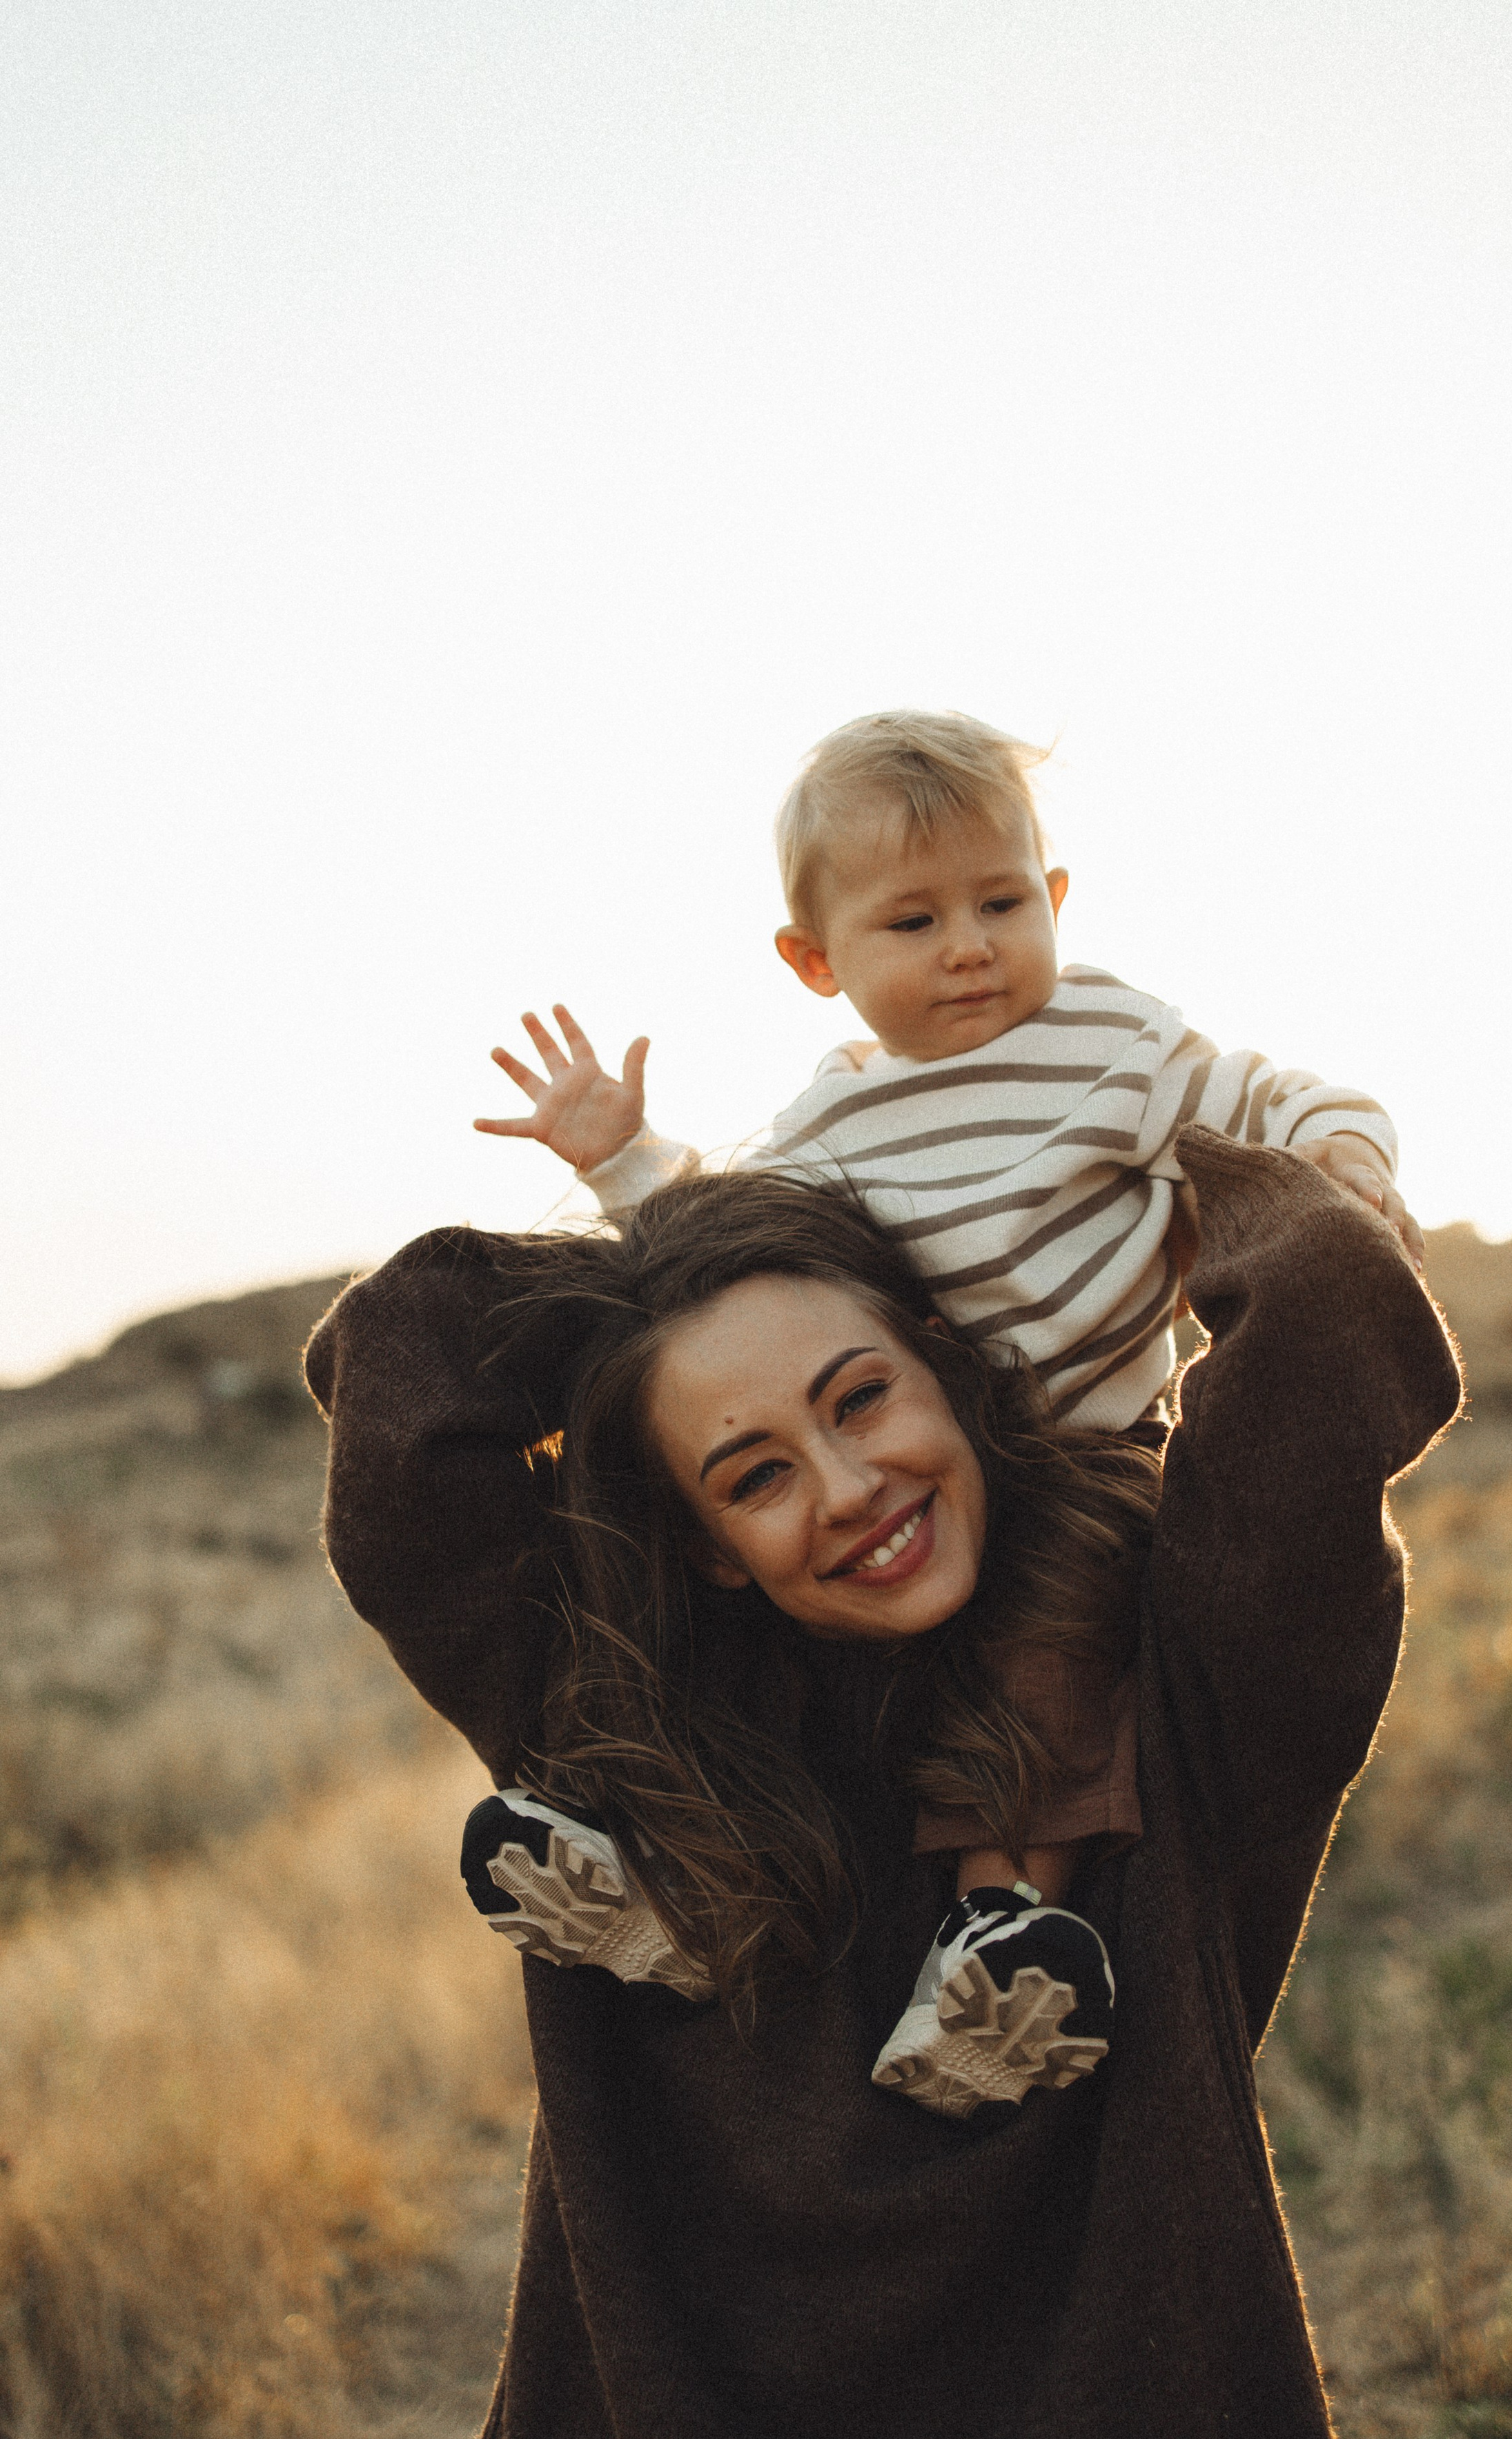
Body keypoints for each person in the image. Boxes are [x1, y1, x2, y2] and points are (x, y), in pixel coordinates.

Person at [304, 1133, 1460, 2439]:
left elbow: (1325, 1315)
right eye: (751, 1472)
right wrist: (645, 1276)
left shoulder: (1179, 1679)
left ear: (947, 1364)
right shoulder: (618, 1727)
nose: (848, 1488)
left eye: (862, 1397)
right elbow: (400, 1382)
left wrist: (1121, 1142)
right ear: (702, 1545)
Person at [467, 709, 1426, 2107]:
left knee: (1040, 1667)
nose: (968, 945)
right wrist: (623, 1166)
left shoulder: (1111, 1040)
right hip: (899, 1455)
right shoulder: (832, 1121)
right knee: (726, 1635)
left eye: (999, 901)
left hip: (1086, 1457)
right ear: (816, 963)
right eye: (911, 921)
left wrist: (1338, 1149)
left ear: (1052, 898)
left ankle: (1002, 1939)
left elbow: (1281, 1095)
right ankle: (658, 1870)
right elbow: (733, 1247)